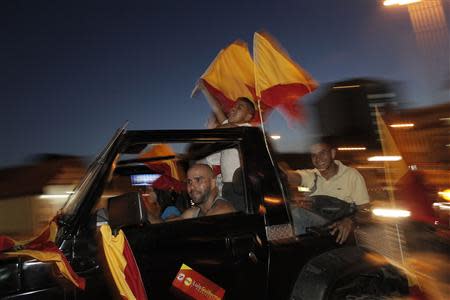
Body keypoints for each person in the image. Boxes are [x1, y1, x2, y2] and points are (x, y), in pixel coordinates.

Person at [285, 138, 371, 244]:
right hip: (317, 231)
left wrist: (349, 221)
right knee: (286, 209)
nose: (318, 159)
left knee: (297, 213)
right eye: (314, 155)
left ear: (333, 153)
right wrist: (278, 171)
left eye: (322, 153)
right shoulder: (311, 175)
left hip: (338, 231)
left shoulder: (352, 175)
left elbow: (365, 212)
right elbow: (293, 177)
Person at [147, 164, 235, 223]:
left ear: (213, 183)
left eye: (198, 180)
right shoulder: (195, 211)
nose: (192, 187)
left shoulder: (222, 211)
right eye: (189, 182)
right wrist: (144, 213)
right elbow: (164, 226)